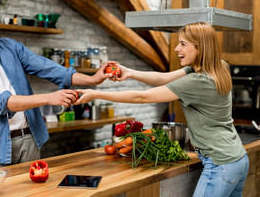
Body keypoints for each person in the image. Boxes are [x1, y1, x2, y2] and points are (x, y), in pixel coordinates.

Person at [75, 22, 249, 197]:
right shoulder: (219, 67)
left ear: (200, 47)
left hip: (220, 164)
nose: (176, 48)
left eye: (183, 44)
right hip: (237, 158)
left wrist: (96, 94)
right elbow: (164, 78)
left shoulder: (197, 81)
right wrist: (130, 72)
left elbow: (142, 97)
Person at [0, 0, 114, 169]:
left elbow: (48, 68)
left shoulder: (8, 47)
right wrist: (48, 98)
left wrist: (93, 79)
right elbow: (0, 103)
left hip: (29, 142)